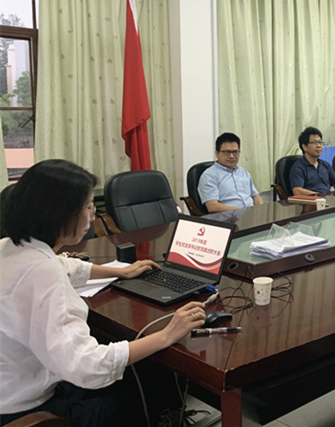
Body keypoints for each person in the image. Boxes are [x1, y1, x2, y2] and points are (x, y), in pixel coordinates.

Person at [0, 160, 206, 427]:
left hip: (13, 386)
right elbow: (88, 366)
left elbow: (65, 266)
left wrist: (119, 271)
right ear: (61, 215)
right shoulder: (43, 274)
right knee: (150, 380)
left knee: (138, 365)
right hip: (29, 410)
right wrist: (166, 334)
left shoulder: (10, 247)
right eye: (88, 207)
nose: (92, 216)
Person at [198, 132, 264, 213]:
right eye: (227, 152)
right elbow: (212, 207)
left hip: (251, 215)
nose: (232, 156)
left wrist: (261, 210)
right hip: (228, 217)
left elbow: (255, 196)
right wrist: (242, 212)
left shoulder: (243, 172)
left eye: (235, 152)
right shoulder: (209, 175)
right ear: (217, 153)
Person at [290, 127, 335, 195]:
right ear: (304, 147)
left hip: (327, 199)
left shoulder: (325, 165)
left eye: (320, 142)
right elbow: (297, 191)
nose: (319, 146)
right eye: (314, 143)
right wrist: (319, 196)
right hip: (310, 200)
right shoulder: (298, 167)